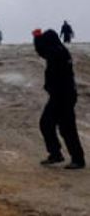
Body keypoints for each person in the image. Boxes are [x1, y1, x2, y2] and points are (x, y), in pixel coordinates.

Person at [33, 28, 84, 169]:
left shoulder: (57, 53)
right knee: (47, 124)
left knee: (66, 128)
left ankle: (77, 160)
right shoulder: (58, 50)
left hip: (63, 97)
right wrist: (37, 38)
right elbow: (43, 52)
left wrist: (37, 38)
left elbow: (42, 51)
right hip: (60, 96)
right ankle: (56, 154)